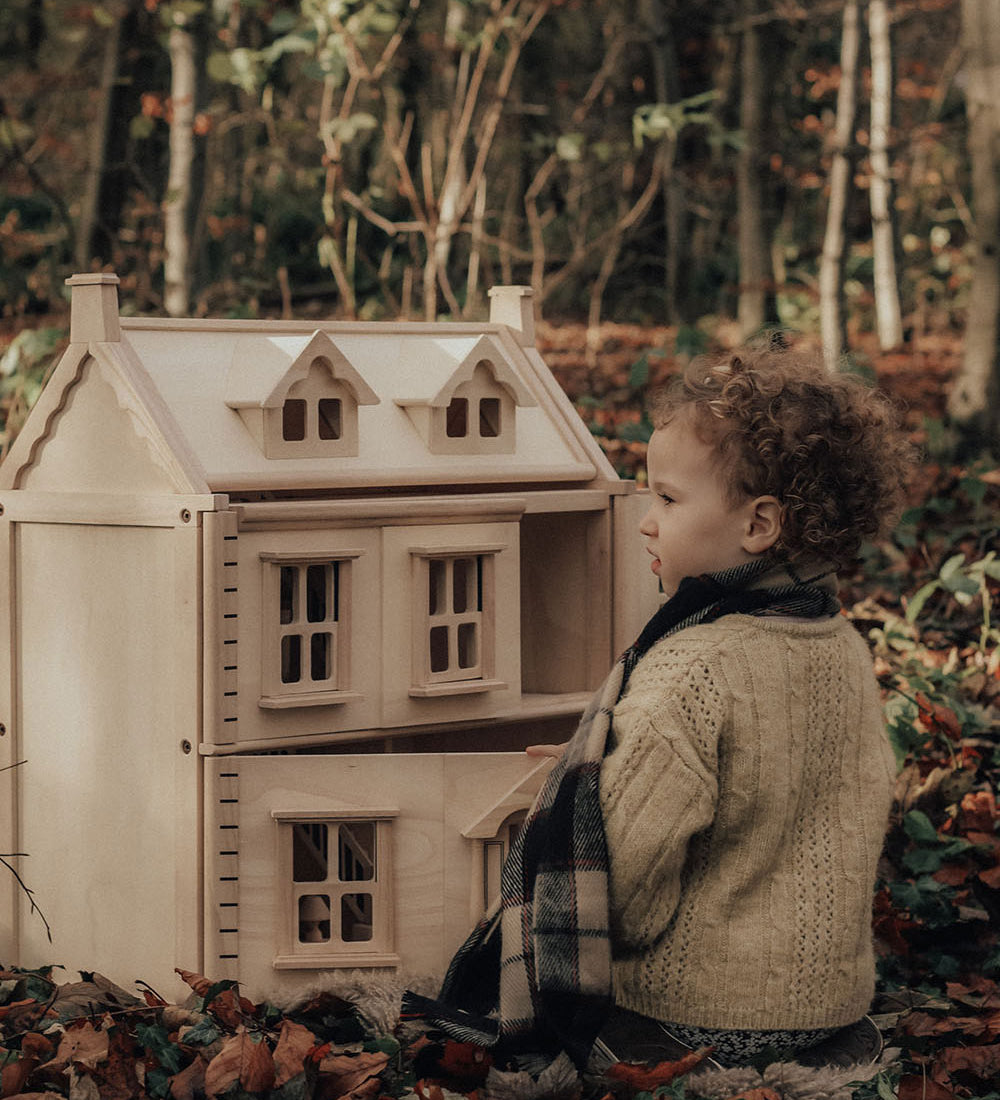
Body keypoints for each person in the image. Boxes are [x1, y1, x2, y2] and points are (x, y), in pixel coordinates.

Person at [404, 339, 911, 1074]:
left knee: (451, 1030)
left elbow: (624, 889)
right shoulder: (839, 644)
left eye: (668, 499)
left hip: (694, 1016)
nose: (646, 519)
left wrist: (582, 799)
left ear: (759, 525)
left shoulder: (691, 667)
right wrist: (609, 769)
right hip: (828, 1009)